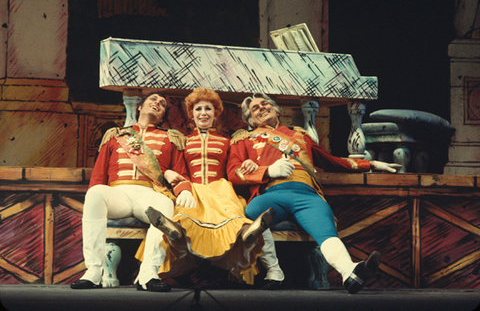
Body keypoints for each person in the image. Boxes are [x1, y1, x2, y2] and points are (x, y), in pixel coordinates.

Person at [227, 92, 402, 294]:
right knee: (254, 212)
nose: (261, 109)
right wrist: (267, 171)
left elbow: (332, 161)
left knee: (325, 230)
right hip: (272, 194)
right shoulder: (244, 139)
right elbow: (233, 173)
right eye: (254, 109)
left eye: (264, 104)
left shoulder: (301, 136)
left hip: (306, 196)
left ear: (276, 110)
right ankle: (274, 272)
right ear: (250, 119)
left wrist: (370, 163)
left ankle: (349, 273)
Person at [142, 87, 277, 286]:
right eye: (198, 109)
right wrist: (171, 175)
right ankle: (176, 233)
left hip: (222, 193)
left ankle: (255, 245)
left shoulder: (229, 141)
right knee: (181, 216)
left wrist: (251, 164)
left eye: (208, 109)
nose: (203, 113)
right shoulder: (181, 141)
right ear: (191, 114)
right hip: (193, 192)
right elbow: (175, 167)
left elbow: (235, 167)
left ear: (215, 114)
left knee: (241, 219)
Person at [71, 91, 194, 292]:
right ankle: (93, 271)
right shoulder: (115, 135)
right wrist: (97, 197)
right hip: (118, 194)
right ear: (139, 106)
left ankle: (149, 274)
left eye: (162, 104)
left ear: (163, 115)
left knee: (163, 205)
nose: (157, 103)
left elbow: (180, 173)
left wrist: (184, 190)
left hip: (149, 194)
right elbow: (99, 175)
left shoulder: (170, 138)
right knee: (95, 193)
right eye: (153, 99)